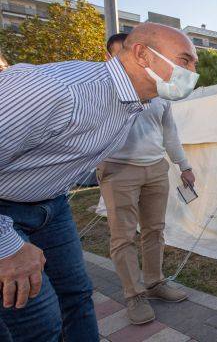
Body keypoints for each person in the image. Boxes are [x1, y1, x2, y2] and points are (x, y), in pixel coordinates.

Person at [0, 23, 199, 342]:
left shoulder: (136, 102)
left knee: (78, 298)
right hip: (6, 211)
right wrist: (5, 245)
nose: (191, 72)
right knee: (39, 321)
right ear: (143, 55)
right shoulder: (57, 89)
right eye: (185, 60)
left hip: (51, 204)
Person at [98, 34, 197, 325]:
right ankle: (134, 295)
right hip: (118, 169)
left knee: (155, 229)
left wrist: (184, 165)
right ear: (111, 59)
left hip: (155, 168)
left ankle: (155, 283)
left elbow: (170, 134)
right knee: (124, 237)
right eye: (120, 59)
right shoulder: (103, 91)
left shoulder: (160, 92)